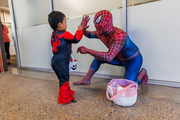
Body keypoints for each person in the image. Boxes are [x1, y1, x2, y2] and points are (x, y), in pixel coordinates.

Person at [73, 10, 148, 85]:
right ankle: (86, 79)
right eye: (99, 30)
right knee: (98, 58)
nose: (101, 33)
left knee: (127, 87)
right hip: (120, 58)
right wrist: (83, 29)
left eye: (103, 30)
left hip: (133, 60)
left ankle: (142, 73)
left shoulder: (119, 35)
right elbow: (90, 34)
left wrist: (87, 50)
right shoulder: (101, 32)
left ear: (109, 24)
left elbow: (109, 57)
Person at [48, 11, 83, 104]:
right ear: (60, 24)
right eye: (65, 21)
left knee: (63, 79)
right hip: (62, 61)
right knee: (64, 79)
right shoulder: (65, 34)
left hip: (55, 60)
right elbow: (76, 39)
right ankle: (64, 98)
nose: (66, 24)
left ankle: (67, 93)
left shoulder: (53, 35)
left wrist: (68, 50)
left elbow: (59, 45)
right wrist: (80, 30)